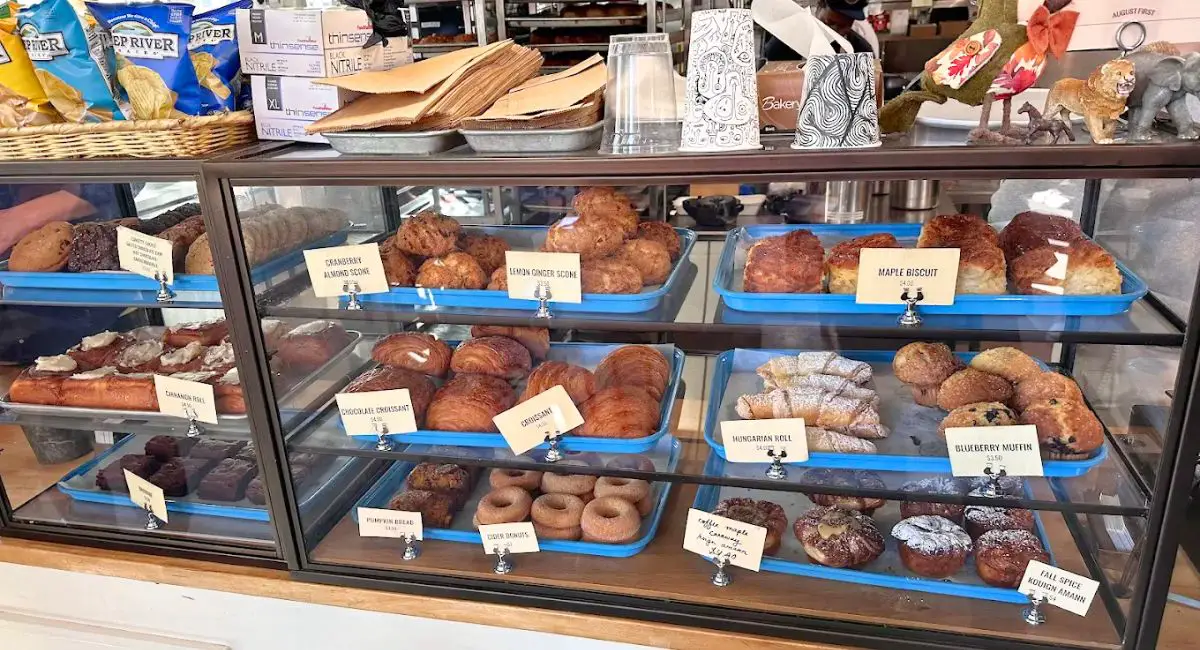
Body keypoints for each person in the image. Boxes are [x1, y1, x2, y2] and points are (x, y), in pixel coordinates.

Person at [0, 184, 131, 365]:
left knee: (116, 363)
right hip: (11, 322)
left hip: (83, 309)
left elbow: (113, 179)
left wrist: (20, 219)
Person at [763, 0, 878, 61]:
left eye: (844, 26)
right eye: (830, 23)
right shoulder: (786, 41)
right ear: (819, 6)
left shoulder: (861, 50)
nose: (835, 31)